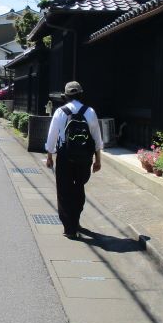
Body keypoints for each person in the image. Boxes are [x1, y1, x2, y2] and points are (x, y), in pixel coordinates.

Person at [45, 81, 103, 240]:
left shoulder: (60, 112)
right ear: (80, 94)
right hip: (84, 158)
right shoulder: (90, 112)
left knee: (64, 191)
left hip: (64, 156)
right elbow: (97, 137)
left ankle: (69, 227)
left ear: (66, 96)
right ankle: (75, 220)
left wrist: (49, 155)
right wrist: (98, 160)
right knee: (78, 188)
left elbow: (52, 136)